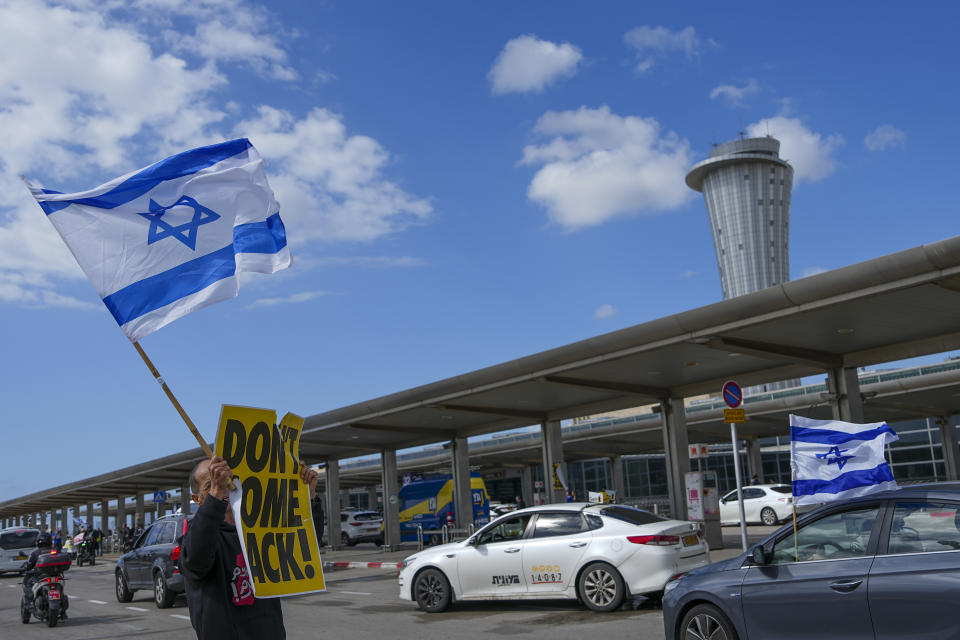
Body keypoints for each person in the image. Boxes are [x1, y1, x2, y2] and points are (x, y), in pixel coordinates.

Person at [181, 455, 319, 640]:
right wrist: (216, 494)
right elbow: (197, 559)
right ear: (197, 499)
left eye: (227, 479)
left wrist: (307, 495)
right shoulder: (196, 537)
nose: (225, 487)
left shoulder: (260, 531)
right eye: (211, 484)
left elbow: (303, 545)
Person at [21, 531, 53, 603]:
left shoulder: (36, 552)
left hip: (40, 576)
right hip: (55, 575)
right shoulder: (55, 550)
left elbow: (29, 565)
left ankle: (29, 601)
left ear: (38, 541)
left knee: (27, 582)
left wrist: (25, 567)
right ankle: (63, 612)